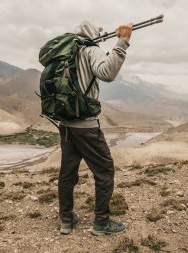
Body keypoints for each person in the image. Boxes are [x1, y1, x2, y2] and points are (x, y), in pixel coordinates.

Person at [58, 20, 133, 235]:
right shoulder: (90, 50)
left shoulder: (65, 54)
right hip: (86, 127)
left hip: (65, 124)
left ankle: (66, 219)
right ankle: (101, 222)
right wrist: (122, 42)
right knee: (105, 171)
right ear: (92, 34)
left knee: (67, 173)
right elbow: (107, 73)